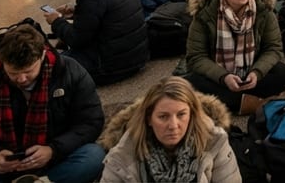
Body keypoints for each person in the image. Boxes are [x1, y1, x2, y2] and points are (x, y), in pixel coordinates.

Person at [0, 25, 105, 182]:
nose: (21, 79)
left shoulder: (71, 73)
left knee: (94, 156)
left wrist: (53, 150)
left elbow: (91, 122)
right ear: (2, 61)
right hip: (0, 171)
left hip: (52, 163)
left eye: (28, 71)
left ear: (42, 55)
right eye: (13, 73)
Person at [184, 0, 285, 115]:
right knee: (187, 84)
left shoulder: (263, 9)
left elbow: (273, 48)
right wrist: (223, 77)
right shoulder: (205, 14)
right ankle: (252, 102)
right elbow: (196, 57)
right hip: (220, 74)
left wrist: (257, 72)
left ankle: (233, 102)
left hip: (252, 70)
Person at [99, 76, 239, 183]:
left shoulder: (214, 141)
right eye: (163, 117)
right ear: (149, 119)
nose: (173, 125)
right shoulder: (124, 153)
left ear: (192, 114)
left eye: (181, 115)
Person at [43, 0, 149, 86]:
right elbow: (111, 13)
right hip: (138, 57)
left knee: (51, 65)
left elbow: (76, 39)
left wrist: (56, 21)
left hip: (110, 67)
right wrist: (77, 11)